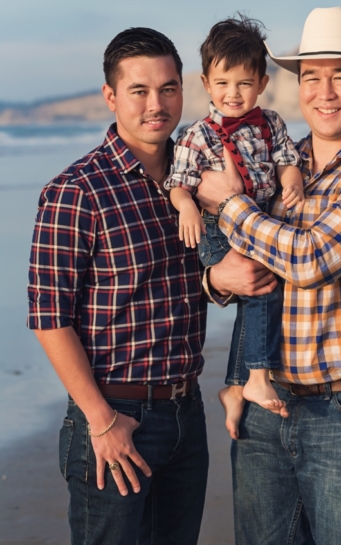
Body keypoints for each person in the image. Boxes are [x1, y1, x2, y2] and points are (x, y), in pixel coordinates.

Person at [195, 6, 341, 544]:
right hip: (264, 402)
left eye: (340, 76)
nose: (324, 92)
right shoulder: (279, 166)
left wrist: (229, 205)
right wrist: (215, 281)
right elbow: (237, 267)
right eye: (312, 77)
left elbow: (310, 259)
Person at [27, 28, 209, 544]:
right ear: (110, 96)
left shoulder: (195, 180)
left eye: (169, 89)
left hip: (186, 414)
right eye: (139, 91)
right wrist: (102, 420)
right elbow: (49, 316)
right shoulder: (76, 191)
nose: (157, 104)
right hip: (115, 419)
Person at [164, 16, 303, 418]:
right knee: (262, 290)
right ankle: (255, 378)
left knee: (256, 293)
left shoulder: (271, 123)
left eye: (244, 84)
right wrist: (187, 206)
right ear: (206, 83)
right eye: (223, 84)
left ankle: (236, 387)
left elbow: (286, 159)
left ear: (262, 82)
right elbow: (179, 182)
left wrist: (291, 178)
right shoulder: (197, 134)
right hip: (214, 228)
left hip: (255, 220)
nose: (233, 94)